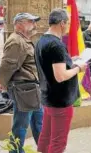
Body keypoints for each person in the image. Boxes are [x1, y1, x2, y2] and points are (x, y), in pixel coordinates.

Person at [35, 9, 87, 153]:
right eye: (68, 22)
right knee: (58, 142)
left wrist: (71, 61)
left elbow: (51, 65)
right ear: (62, 23)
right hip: (60, 101)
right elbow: (61, 76)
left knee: (45, 137)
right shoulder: (56, 45)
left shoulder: (41, 40)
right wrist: (78, 68)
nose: (69, 26)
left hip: (48, 96)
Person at [0, 13, 43, 153]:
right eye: (30, 21)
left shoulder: (23, 40)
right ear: (19, 24)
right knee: (21, 126)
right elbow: (6, 67)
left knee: (39, 123)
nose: (34, 25)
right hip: (24, 89)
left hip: (31, 89)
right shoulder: (16, 41)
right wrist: (4, 85)